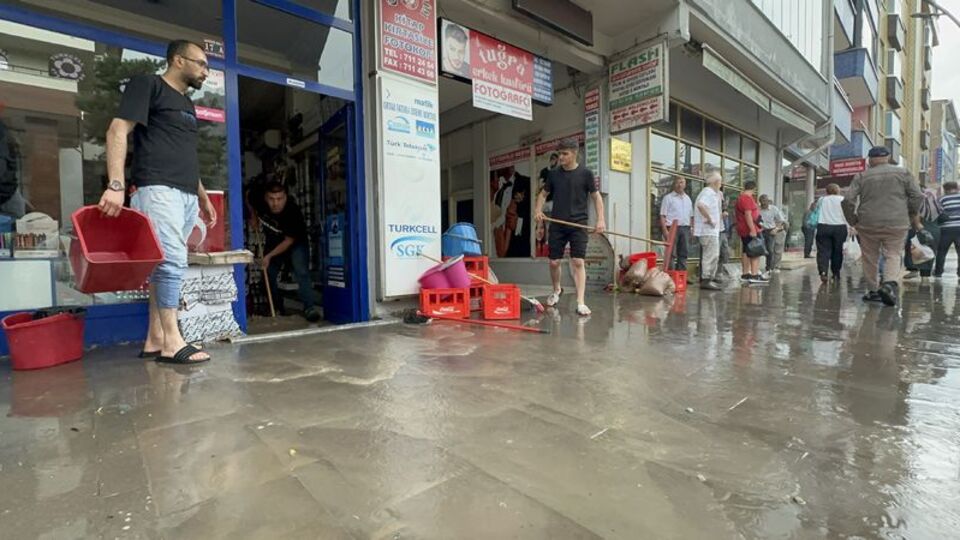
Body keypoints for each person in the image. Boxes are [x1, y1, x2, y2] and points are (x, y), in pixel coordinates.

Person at [98, 40, 216, 364]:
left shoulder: (188, 106)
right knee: (171, 262)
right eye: (201, 63)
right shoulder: (148, 85)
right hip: (157, 188)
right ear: (178, 60)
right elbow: (116, 130)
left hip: (185, 193)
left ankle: (155, 337)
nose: (206, 71)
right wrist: (117, 184)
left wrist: (203, 196)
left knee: (163, 262)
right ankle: (173, 341)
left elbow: (183, 153)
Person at [842, 145, 923, 307]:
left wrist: (853, 221)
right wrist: (910, 213)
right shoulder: (903, 173)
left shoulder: (861, 176)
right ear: (888, 157)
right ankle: (889, 283)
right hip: (897, 222)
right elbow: (917, 195)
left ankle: (873, 291)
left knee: (870, 256)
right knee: (893, 253)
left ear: (870, 160)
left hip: (868, 223)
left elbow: (848, 200)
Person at [535, 138, 605, 316]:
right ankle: (557, 289)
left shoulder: (586, 174)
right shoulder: (554, 174)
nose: (561, 157)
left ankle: (580, 302)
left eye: (565, 154)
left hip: (578, 224)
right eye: (560, 154)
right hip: (558, 224)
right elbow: (543, 195)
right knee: (554, 262)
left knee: (578, 261)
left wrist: (600, 220)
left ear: (575, 154)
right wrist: (538, 211)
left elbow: (596, 198)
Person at [254, 182, 320, 322]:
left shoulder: (292, 212)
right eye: (272, 199)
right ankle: (278, 308)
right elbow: (248, 196)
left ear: (285, 197)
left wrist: (269, 256)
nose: (276, 203)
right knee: (268, 274)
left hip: (295, 243)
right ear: (266, 198)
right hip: (274, 242)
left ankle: (309, 308)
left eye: (279, 199)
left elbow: (288, 241)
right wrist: (252, 216)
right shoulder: (258, 200)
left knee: (301, 272)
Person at [694, 171, 723, 290]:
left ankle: (707, 278)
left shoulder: (709, 193)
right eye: (720, 182)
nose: (720, 184)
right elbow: (701, 205)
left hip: (708, 231)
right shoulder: (709, 193)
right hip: (708, 231)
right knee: (711, 255)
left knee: (711, 254)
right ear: (716, 182)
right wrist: (710, 219)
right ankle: (706, 279)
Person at [814, 184, 849, 282]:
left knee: (823, 251)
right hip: (840, 227)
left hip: (823, 226)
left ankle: (823, 272)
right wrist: (850, 226)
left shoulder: (821, 200)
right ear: (838, 191)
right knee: (837, 251)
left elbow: (815, 210)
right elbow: (847, 214)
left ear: (827, 191)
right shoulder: (843, 199)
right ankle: (835, 273)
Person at [735, 181, 768, 284]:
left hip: (743, 229)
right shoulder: (747, 198)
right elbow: (748, 215)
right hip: (749, 229)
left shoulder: (740, 198)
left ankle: (745, 274)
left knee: (746, 250)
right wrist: (753, 229)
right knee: (755, 250)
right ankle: (754, 274)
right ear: (754, 189)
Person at [659, 176, 693, 270]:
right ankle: (670, 276)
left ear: (685, 185)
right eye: (678, 182)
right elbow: (662, 215)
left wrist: (691, 229)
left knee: (683, 253)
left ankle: (681, 275)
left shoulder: (688, 199)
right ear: (674, 184)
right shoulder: (668, 198)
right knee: (671, 253)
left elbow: (691, 216)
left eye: (682, 182)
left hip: (685, 228)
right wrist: (665, 231)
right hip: (672, 228)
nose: (680, 184)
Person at [934, 181, 960, 277]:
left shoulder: (941, 199)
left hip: (946, 229)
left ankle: (938, 272)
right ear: (957, 188)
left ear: (945, 189)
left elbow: (937, 213)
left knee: (941, 251)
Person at [759, 194, 787, 273]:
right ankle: (767, 267)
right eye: (761, 202)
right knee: (764, 249)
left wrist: (776, 229)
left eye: (765, 201)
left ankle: (772, 267)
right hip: (763, 230)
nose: (763, 203)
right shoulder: (758, 209)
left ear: (768, 201)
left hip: (774, 230)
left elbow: (781, 221)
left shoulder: (774, 209)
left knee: (774, 250)